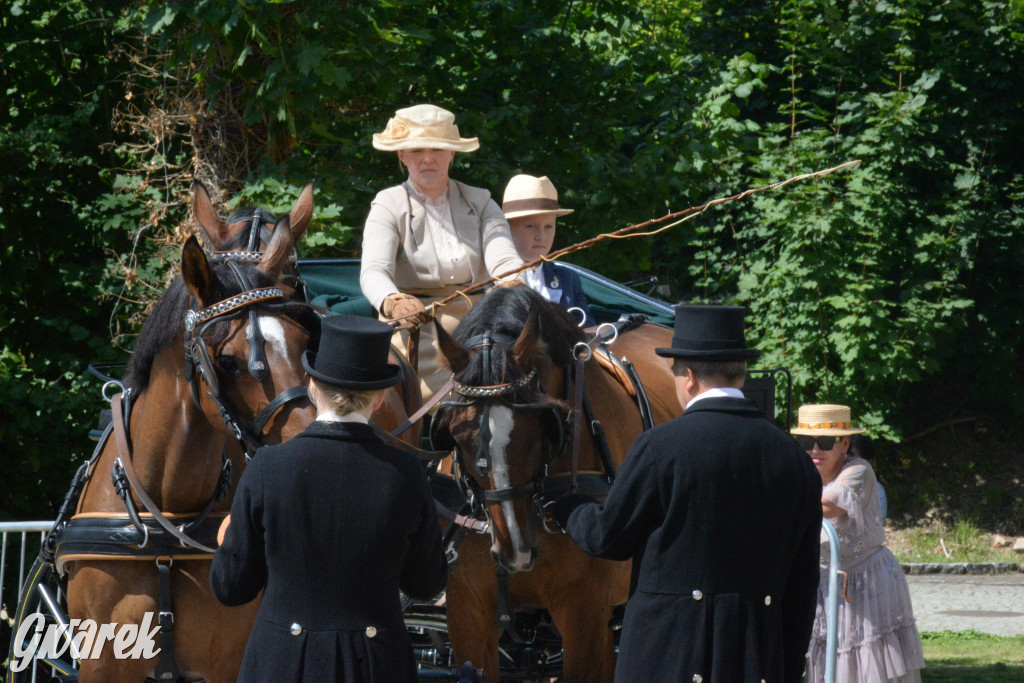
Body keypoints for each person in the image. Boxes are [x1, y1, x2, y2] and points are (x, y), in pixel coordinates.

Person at [553, 305, 823, 682]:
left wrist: (569, 506)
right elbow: (802, 588)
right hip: (755, 662)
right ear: (740, 374)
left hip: (665, 660)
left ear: (689, 377)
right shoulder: (794, 460)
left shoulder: (661, 447)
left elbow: (606, 539)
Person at [210, 315, 447, 682]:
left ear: (311, 385)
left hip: (281, 665)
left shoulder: (268, 467)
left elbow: (230, 588)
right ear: (381, 398)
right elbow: (426, 584)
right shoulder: (406, 473)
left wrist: (229, 542)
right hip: (378, 666)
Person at [360, 104, 524, 400]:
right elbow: (374, 270)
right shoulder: (388, 204)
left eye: (437, 149)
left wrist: (510, 279)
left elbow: (502, 254)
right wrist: (392, 300)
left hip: (482, 327)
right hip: (415, 331)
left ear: (452, 153)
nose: (427, 159)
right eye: (415, 150)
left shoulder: (481, 201)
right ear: (401, 155)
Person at [794, 404, 924, 683]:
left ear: (845, 444)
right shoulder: (801, 473)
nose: (815, 451)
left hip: (866, 579)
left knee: (864, 664)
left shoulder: (858, 470)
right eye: (806, 442)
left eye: (825, 442)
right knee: (825, 659)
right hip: (824, 582)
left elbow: (825, 506)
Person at [502, 174, 595, 327]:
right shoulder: (489, 279)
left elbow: (588, 334)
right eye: (530, 226)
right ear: (507, 228)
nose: (541, 236)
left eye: (549, 227)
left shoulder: (568, 279)